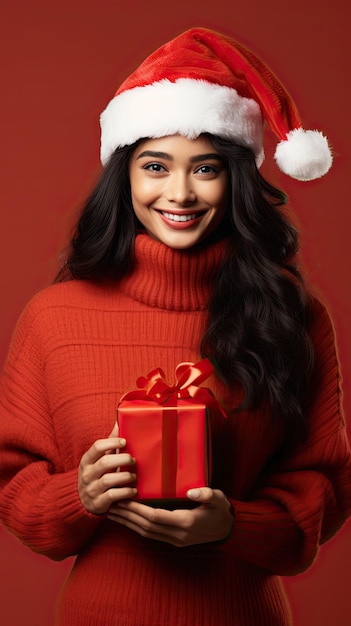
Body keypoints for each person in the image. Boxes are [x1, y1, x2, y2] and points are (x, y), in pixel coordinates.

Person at [0, 27, 350, 626]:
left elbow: (323, 485)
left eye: (206, 168)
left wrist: (233, 525)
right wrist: (78, 496)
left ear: (234, 178)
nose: (179, 192)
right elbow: (15, 485)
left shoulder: (293, 317)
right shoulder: (53, 318)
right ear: (125, 176)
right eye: (156, 166)